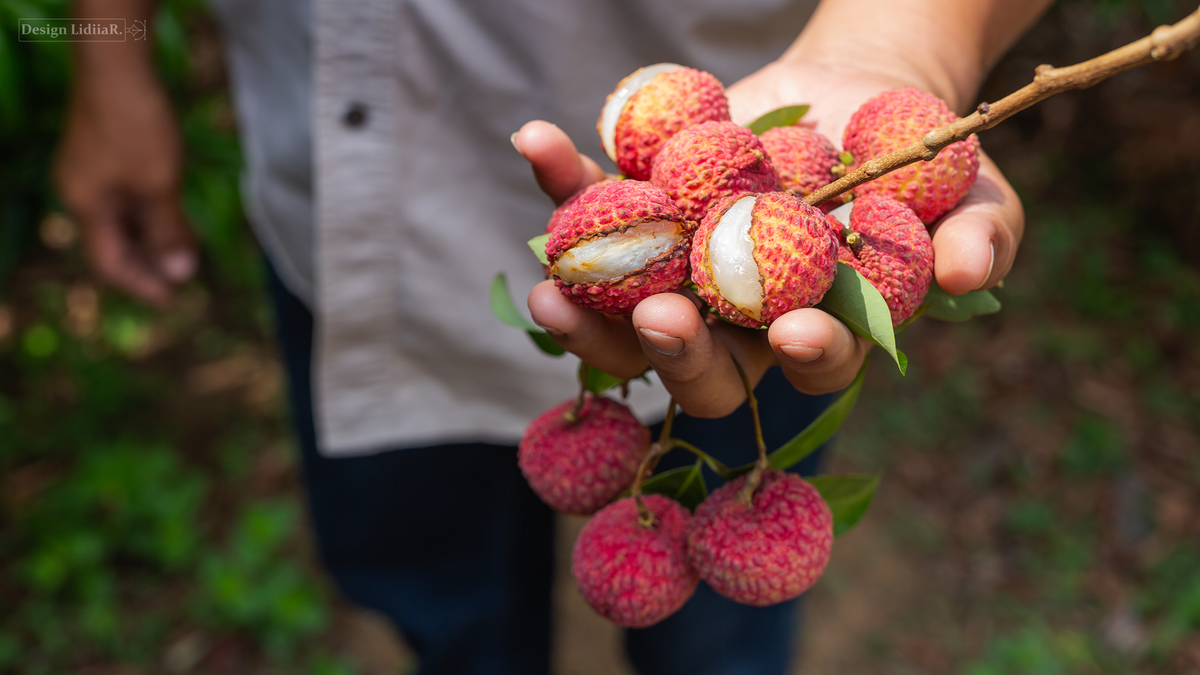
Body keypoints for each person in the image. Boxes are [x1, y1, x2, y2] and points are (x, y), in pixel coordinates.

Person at [55, 0, 1046, 672]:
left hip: (743, 327)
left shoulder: (777, 225)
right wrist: (106, 52)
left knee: (716, 647)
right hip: (339, 227)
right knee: (439, 599)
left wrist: (901, 48)